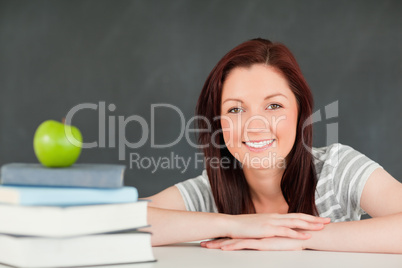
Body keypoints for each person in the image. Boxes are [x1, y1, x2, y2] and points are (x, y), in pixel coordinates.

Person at [141, 38, 402, 253]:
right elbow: (116, 223)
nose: (255, 126)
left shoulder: (337, 169)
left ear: (301, 113)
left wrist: (300, 238)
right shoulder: (210, 189)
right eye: (235, 109)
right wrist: (236, 225)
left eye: (274, 106)